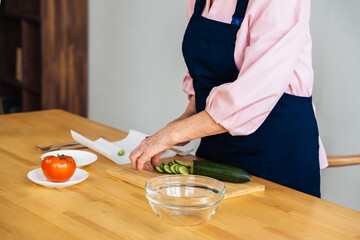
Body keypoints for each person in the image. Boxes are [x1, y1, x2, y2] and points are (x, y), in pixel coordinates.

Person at [129, 0, 328, 198]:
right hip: (217, 152)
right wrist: (187, 117)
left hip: (277, 155)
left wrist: (171, 135)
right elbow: (203, 76)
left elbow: (255, 93)